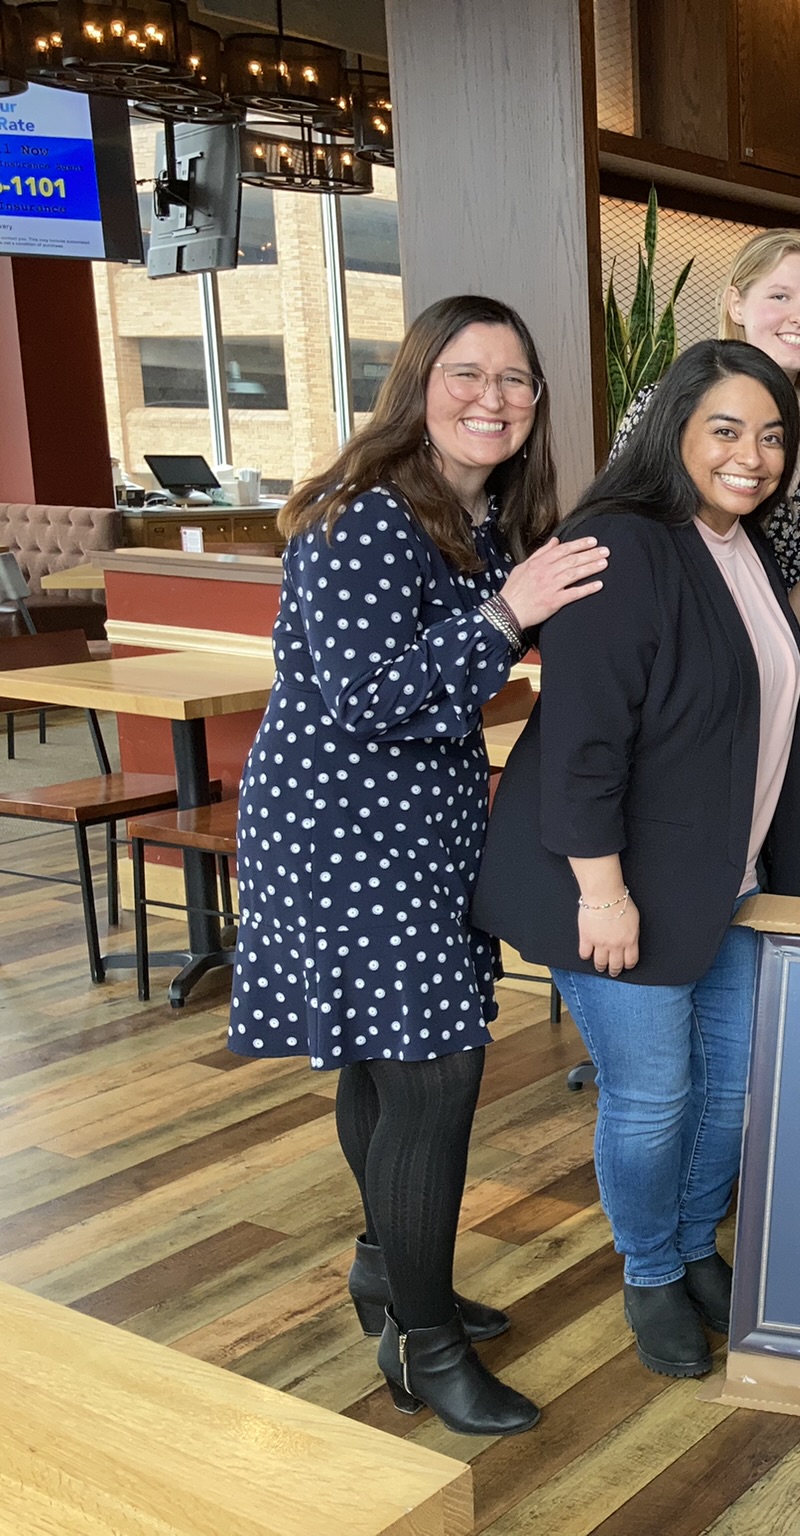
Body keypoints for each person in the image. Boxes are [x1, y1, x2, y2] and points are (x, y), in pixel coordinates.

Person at [232, 295, 608, 1437]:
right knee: (434, 1078)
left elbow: (447, 680)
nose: (491, 398)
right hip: (343, 837)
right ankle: (424, 1347)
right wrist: (509, 614)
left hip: (417, 831)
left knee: (385, 1067)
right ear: (417, 382)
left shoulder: (475, 517)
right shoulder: (366, 518)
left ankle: (389, 1273)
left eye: (514, 380)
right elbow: (368, 696)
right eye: (466, 373)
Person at [474, 341, 800, 1380]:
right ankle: (651, 1270)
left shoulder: (739, 544)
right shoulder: (621, 542)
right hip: (616, 890)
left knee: (735, 1088)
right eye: (724, 430)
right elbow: (582, 739)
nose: (751, 456)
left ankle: (690, 1241)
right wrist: (604, 894)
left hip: (724, 883)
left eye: (770, 436)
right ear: (673, 430)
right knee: (653, 1095)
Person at [612, 229, 800, 621]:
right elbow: (621, 542)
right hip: (691, 650)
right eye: (780, 296)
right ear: (736, 305)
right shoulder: (667, 405)